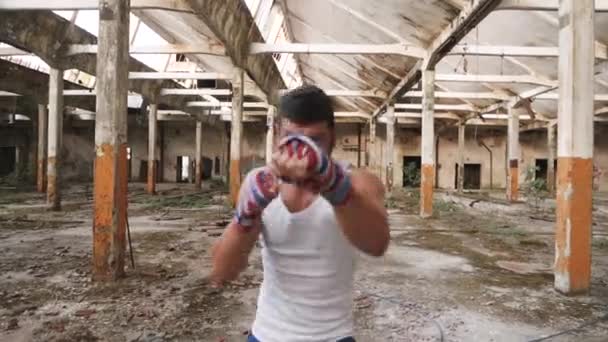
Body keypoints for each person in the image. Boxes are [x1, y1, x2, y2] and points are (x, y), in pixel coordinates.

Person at [211, 85, 390, 342]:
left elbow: (377, 244)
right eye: (291, 138)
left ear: (333, 137)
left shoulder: (359, 182)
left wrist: (334, 186)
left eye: (314, 140)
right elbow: (222, 272)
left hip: (331, 337)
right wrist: (245, 216)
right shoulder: (259, 182)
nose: (302, 151)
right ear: (276, 136)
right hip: (266, 334)